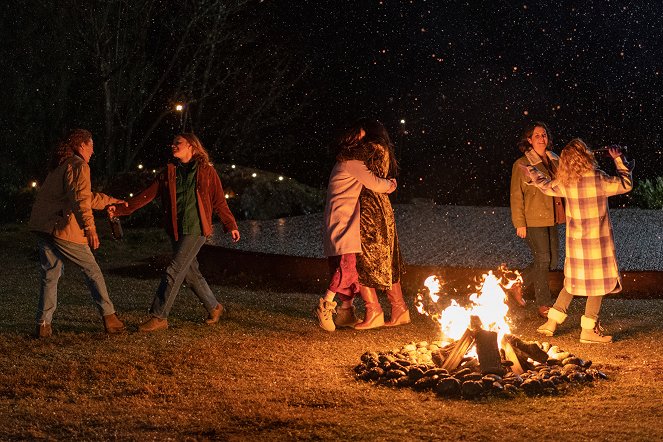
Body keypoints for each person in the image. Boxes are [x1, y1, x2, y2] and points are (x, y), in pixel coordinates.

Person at [109, 133, 240, 332]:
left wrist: (230, 225)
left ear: (192, 147)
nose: (173, 146)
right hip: (176, 231)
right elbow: (146, 196)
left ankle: (159, 316)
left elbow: (219, 201)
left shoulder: (206, 172)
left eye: (178, 143)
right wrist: (120, 209)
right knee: (190, 273)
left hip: (196, 230)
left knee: (174, 270)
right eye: (172, 143)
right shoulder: (168, 172)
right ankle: (215, 307)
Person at [524, 139, 633, 343]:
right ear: (585, 157)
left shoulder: (566, 183)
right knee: (597, 285)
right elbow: (625, 184)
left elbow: (546, 186)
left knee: (572, 283)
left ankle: (551, 323)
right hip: (597, 245)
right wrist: (619, 160)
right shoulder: (598, 179)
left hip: (576, 246)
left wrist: (532, 173)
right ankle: (588, 331)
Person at [28, 129, 128, 338]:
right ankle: (110, 318)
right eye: (91, 145)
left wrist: (110, 201)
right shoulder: (79, 165)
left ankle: (43, 324)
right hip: (61, 227)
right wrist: (90, 228)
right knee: (92, 270)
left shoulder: (62, 164)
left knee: (50, 274)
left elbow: (85, 196)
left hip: (44, 227)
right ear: (82, 145)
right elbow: (81, 200)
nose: (93, 150)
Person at [317, 122, 398, 332]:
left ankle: (346, 312)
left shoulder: (343, 161)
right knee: (347, 267)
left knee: (343, 266)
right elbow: (374, 183)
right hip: (343, 222)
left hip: (338, 220)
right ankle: (326, 305)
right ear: (354, 141)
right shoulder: (352, 162)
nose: (365, 142)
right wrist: (391, 184)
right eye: (362, 139)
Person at [353, 118, 409, 330]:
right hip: (382, 205)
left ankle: (374, 311)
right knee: (385, 258)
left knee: (364, 257)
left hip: (369, 206)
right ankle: (399, 308)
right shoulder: (384, 149)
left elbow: (348, 161)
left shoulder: (369, 149)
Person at [510, 121, 565, 318]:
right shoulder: (522, 164)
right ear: (529, 140)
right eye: (537, 136)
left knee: (552, 261)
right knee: (542, 259)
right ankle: (543, 304)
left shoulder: (556, 160)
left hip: (554, 217)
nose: (542, 138)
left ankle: (518, 283)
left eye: (544, 135)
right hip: (533, 219)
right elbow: (516, 195)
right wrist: (520, 222)